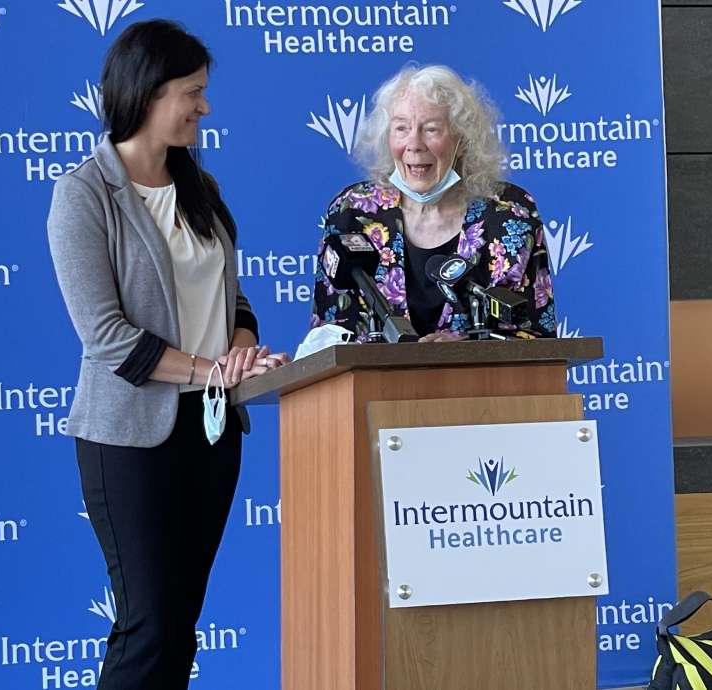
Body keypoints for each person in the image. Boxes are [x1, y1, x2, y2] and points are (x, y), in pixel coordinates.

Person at [46, 20, 285, 690]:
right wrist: (210, 369)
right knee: (148, 623)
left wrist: (238, 352)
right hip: (129, 438)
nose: (203, 107)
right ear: (148, 92)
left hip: (210, 432)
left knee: (179, 621)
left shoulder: (200, 191)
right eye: (193, 92)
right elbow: (108, 337)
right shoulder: (82, 196)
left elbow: (234, 303)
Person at [310, 65, 557, 341]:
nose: (414, 144)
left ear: (462, 140)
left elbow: (537, 337)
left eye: (431, 129)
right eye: (401, 128)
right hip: (375, 384)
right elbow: (327, 339)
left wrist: (466, 352)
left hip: (483, 383)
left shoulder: (511, 213)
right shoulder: (351, 213)